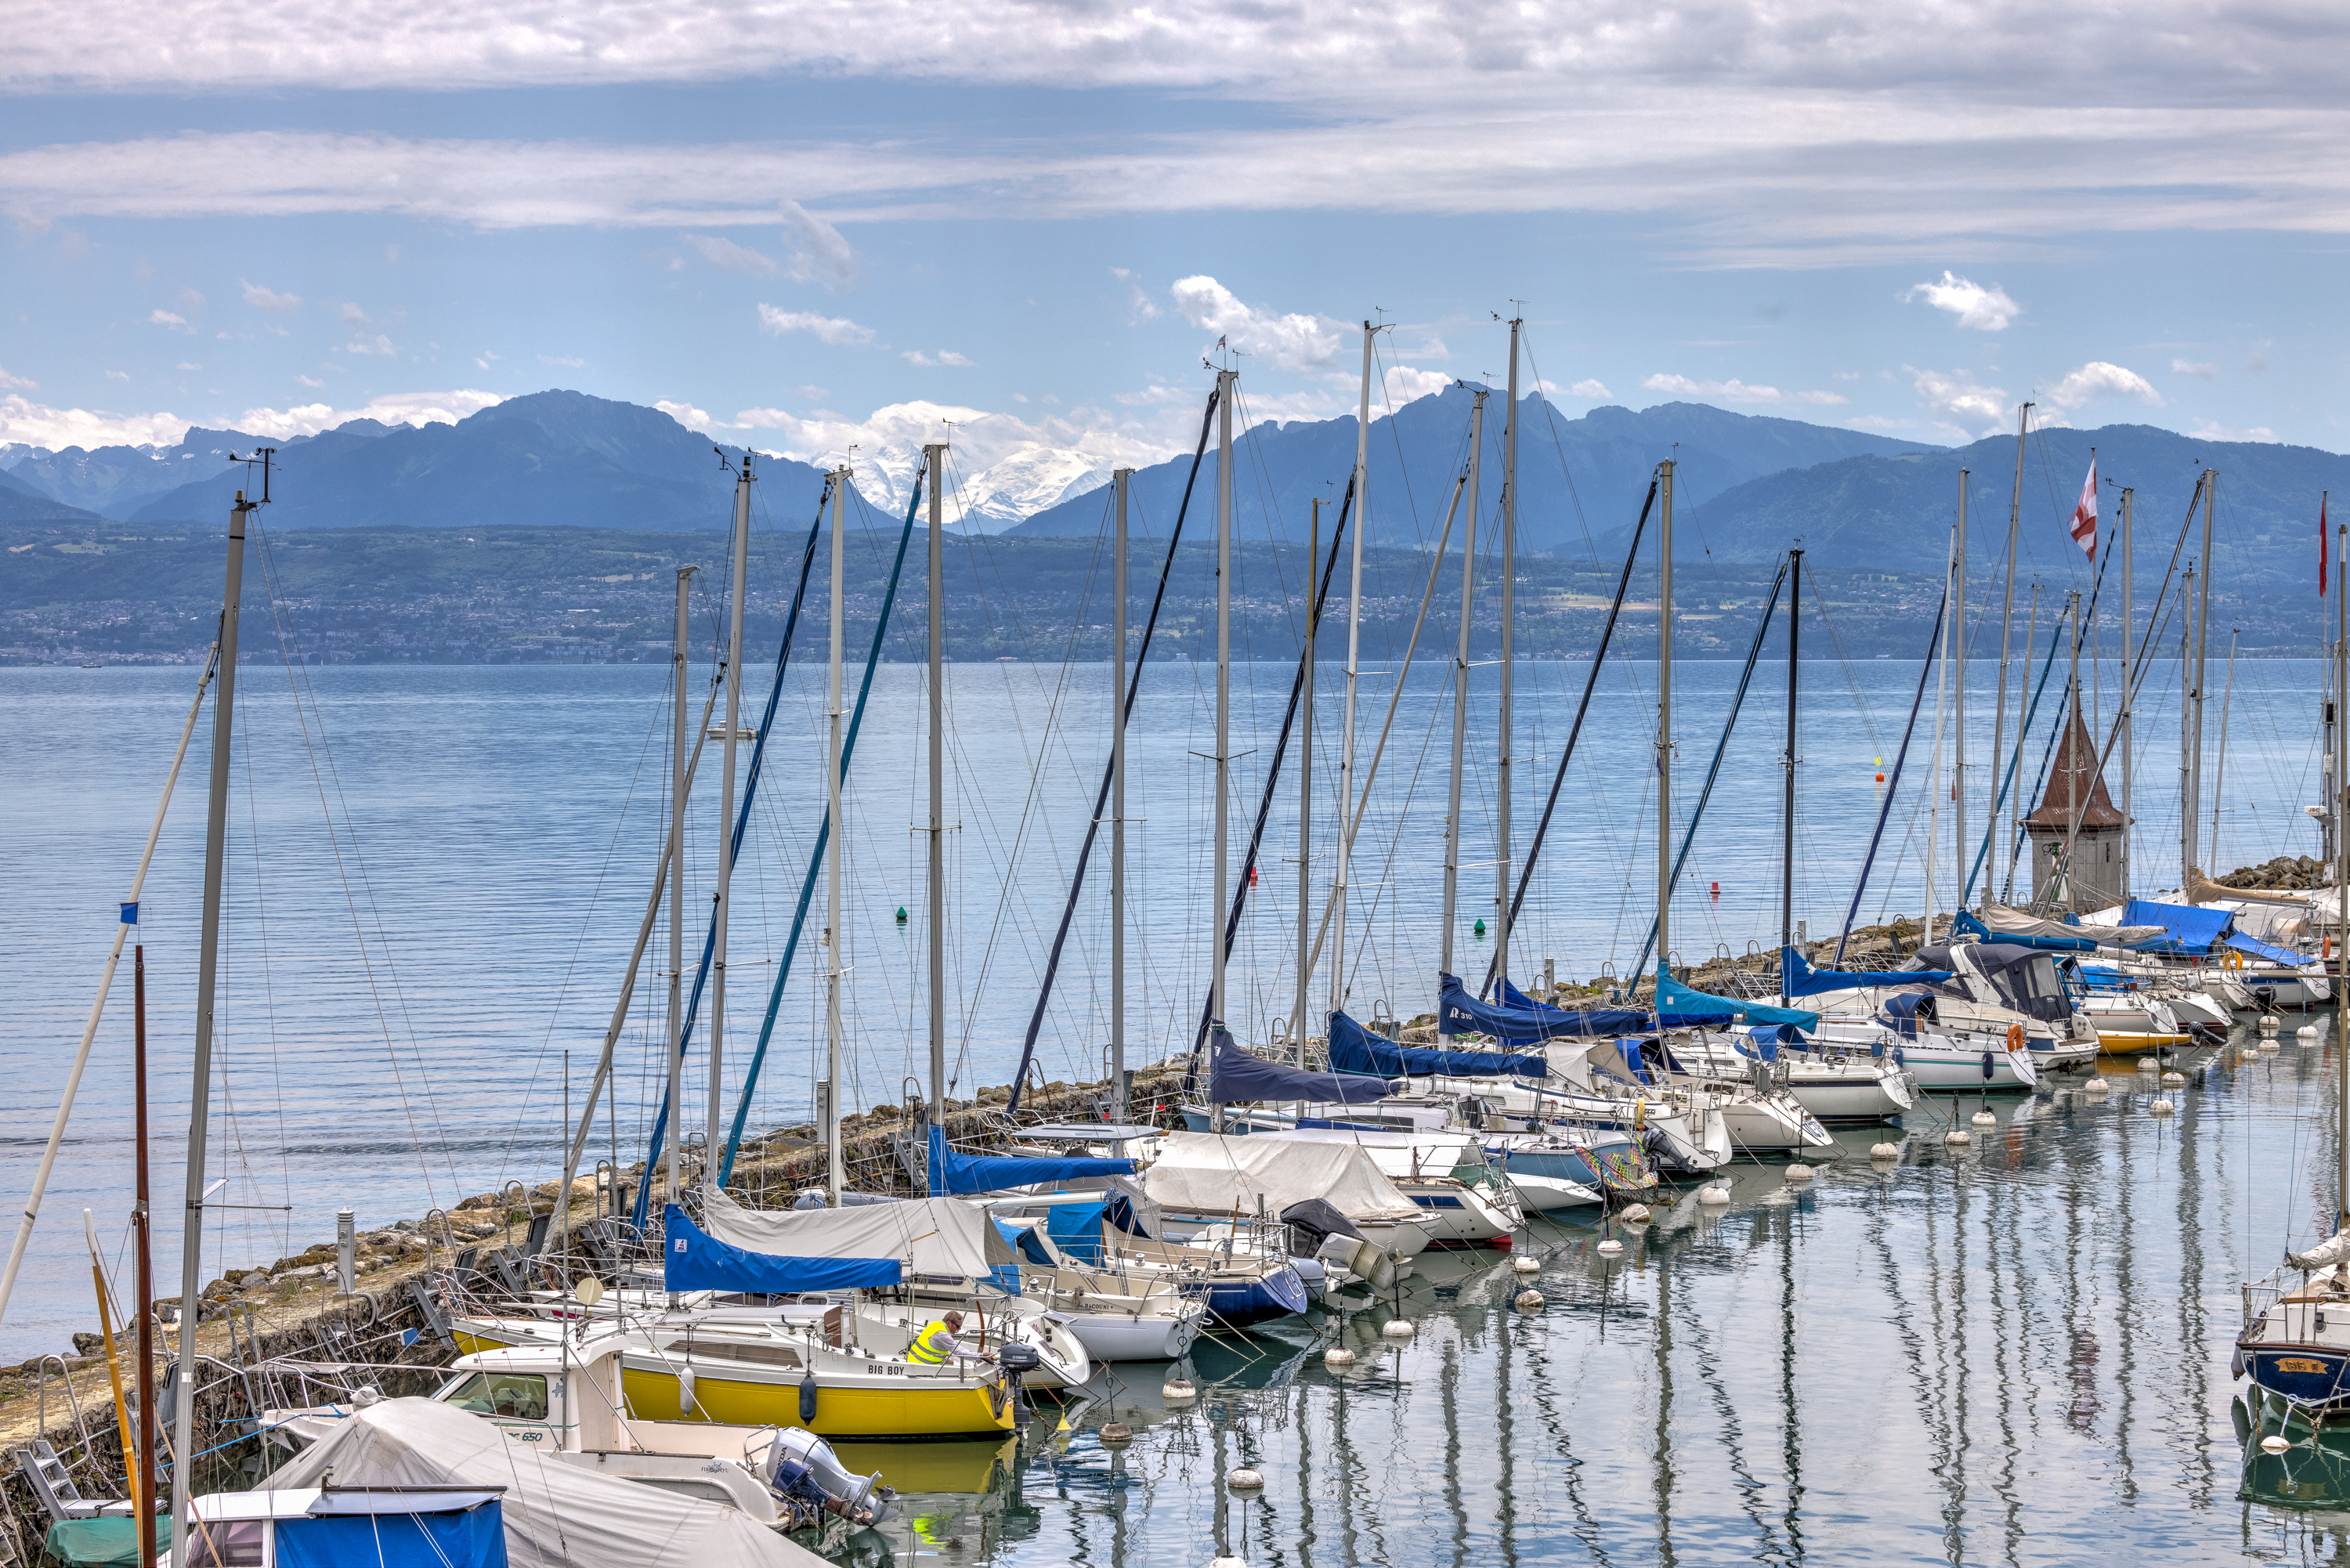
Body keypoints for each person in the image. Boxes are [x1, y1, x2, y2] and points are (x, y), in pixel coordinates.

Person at [907, 1310, 994, 1366]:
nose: (959, 1329)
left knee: (953, 1362)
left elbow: (957, 1348)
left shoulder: (935, 1325)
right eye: (957, 1326)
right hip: (923, 1365)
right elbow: (959, 1352)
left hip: (912, 1359)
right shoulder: (943, 1335)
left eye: (961, 1326)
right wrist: (982, 1356)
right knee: (963, 1370)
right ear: (949, 1323)